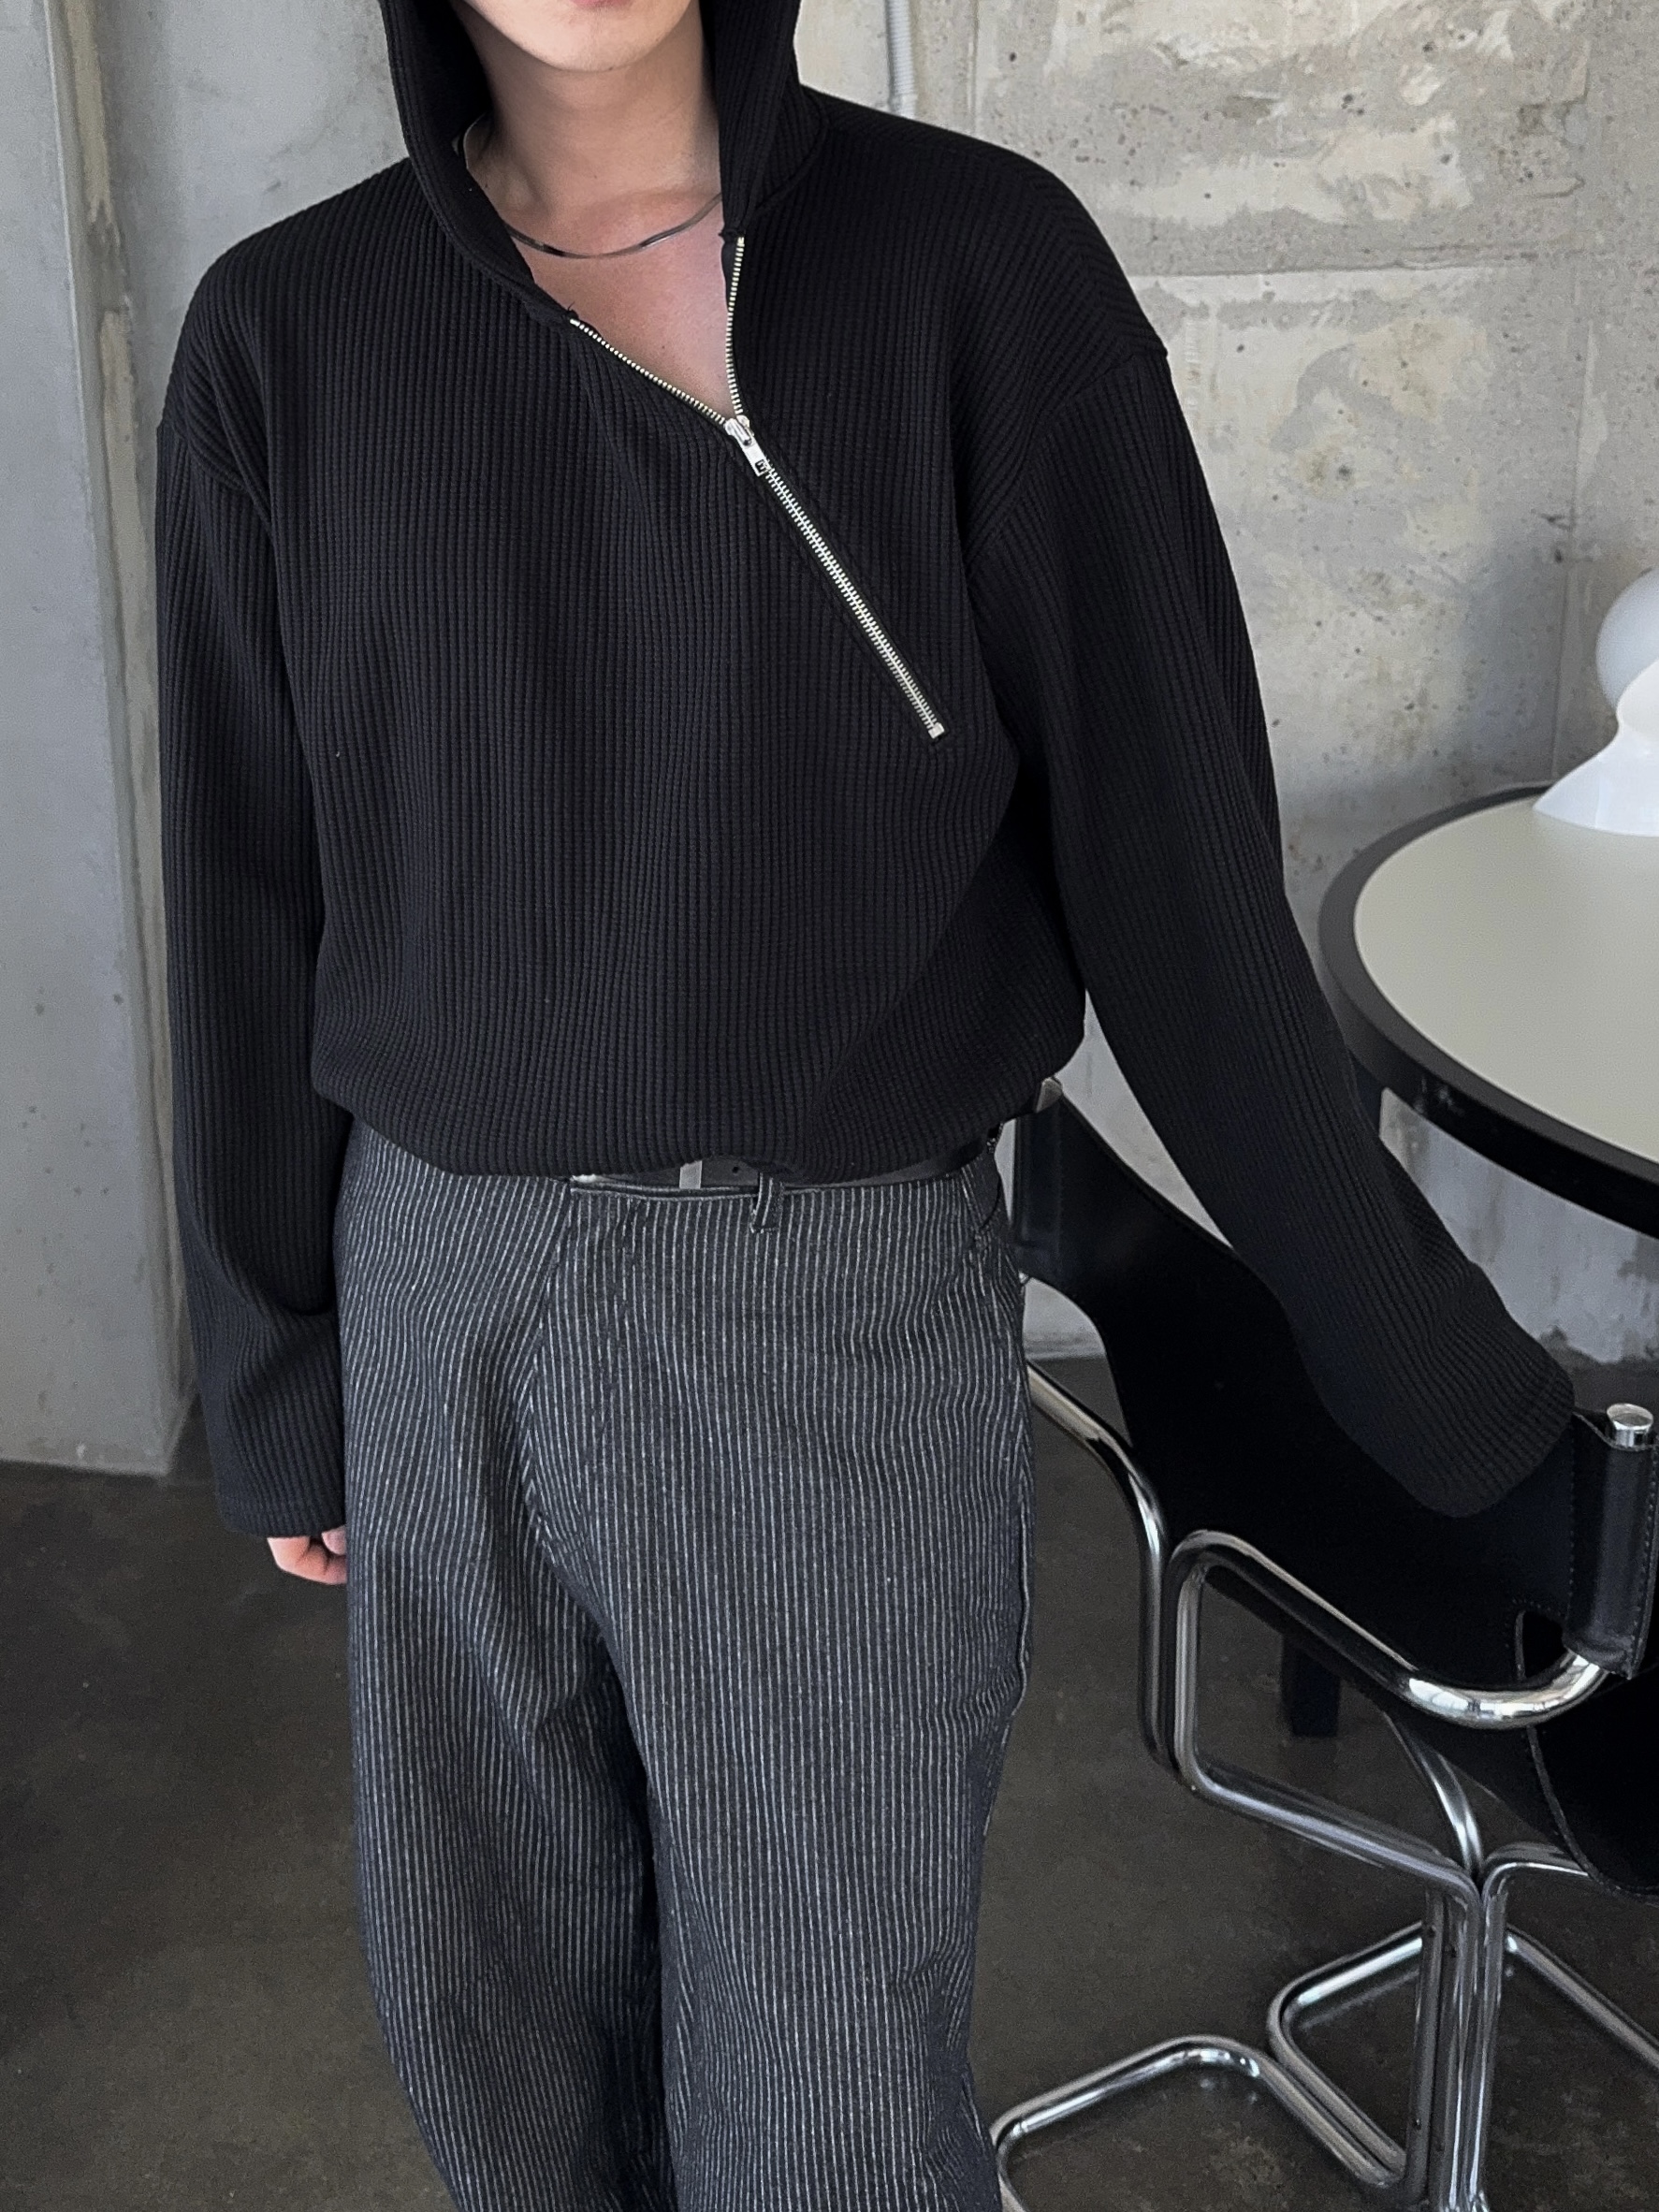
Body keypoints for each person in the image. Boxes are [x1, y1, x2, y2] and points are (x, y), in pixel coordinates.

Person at [153, 0, 1575, 2205]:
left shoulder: (978, 271)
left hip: (834, 1291)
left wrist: (1461, 1417)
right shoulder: (285, 333)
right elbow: (250, 888)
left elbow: (1175, 882)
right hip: (441, 1280)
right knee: (491, 2004)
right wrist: (270, 1368)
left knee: (825, 2063)